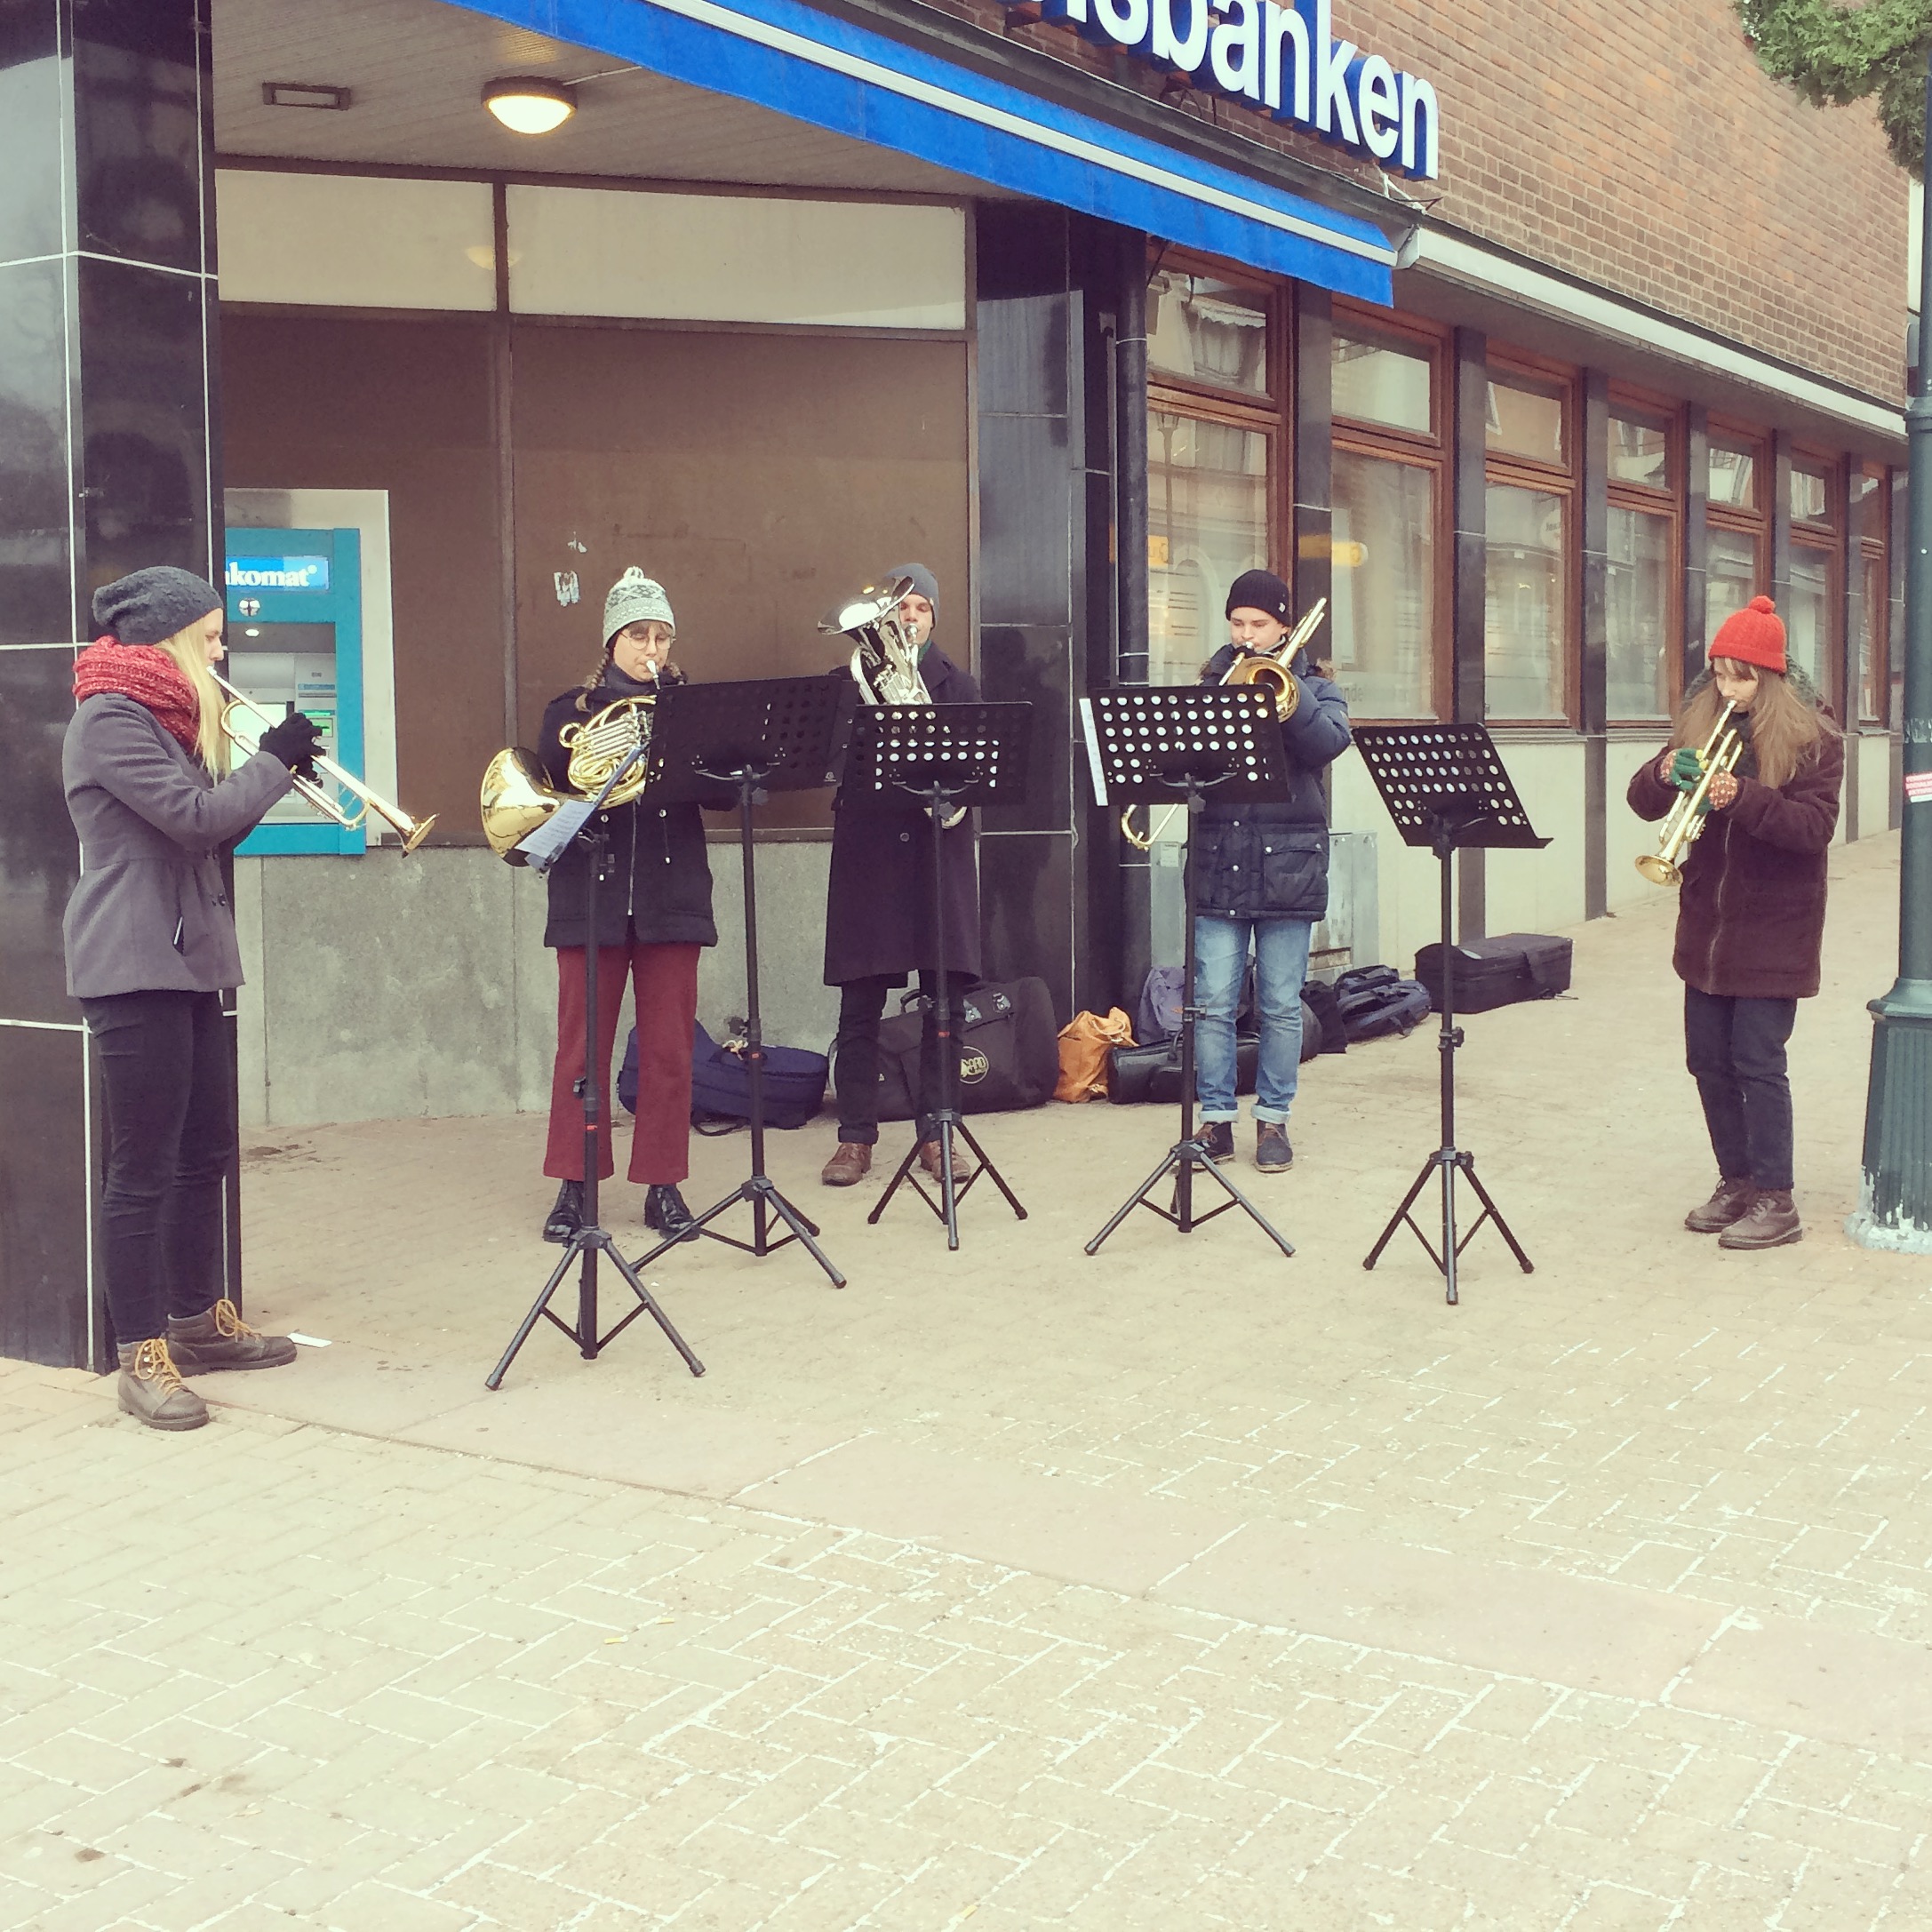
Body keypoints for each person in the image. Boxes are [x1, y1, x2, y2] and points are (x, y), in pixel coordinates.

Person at [64, 565, 323, 1432]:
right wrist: (269, 762)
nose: (221, 650)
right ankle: (141, 1353)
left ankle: (195, 1317)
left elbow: (208, 830)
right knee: (141, 1167)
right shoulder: (109, 719)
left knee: (203, 1148)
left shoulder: (162, 721)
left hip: (185, 955)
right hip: (133, 958)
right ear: (170, 636)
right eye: (210, 636)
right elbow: (193, 818)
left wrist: (278, 775)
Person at [1627, 595, 1841, 1249]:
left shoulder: (1813, 740)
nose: (1727, 687)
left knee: (1756, 1060)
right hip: (1707, 930)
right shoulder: (1705, 721)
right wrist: (1665, 770)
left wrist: (1741, 795)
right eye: (1719, 673)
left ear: (1770, 677)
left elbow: (1814, 828)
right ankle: (1737, 1181)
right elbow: (1641, 802)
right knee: (1708, 1061)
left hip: (1776, 930)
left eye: (1740, 676)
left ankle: (1777, 1198)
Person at [537, 570, 717, 1247]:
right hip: (592, 894)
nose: (652, 648)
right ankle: (575, 1182)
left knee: (669, 1049)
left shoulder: (689, 706)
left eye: (662, 636)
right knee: (580, 1047)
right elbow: (549, 795)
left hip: (672, 897)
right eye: (639, 634)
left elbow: (723, 791)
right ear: (612, 639)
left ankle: (663, 1184)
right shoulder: (570, 713)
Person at [820, 563, 979, 1187]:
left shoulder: (957, 686)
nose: (909, 617)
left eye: (919, 608)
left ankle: (940, 1132)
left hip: (937, 857)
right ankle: (855, 1139)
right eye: (900, 608)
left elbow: (978, 774)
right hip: (871, 855)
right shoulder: (848, 681)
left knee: (946, 1005)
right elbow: (833, 761)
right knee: (860, 1003)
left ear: (934, 617)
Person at [1194, 569, 1352, 1173]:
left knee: (1282, 1005)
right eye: (1237, 623)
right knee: (1211, 1002)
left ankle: (1273, 1123)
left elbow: (1329, 744)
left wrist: (1287, 691)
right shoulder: (1213, 678)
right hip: (1220, 857)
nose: (1246, 634)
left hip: (1289, 863)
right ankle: (1216, 1120)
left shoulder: (1317, 685)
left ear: (1284, 625)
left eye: (1258, 624)